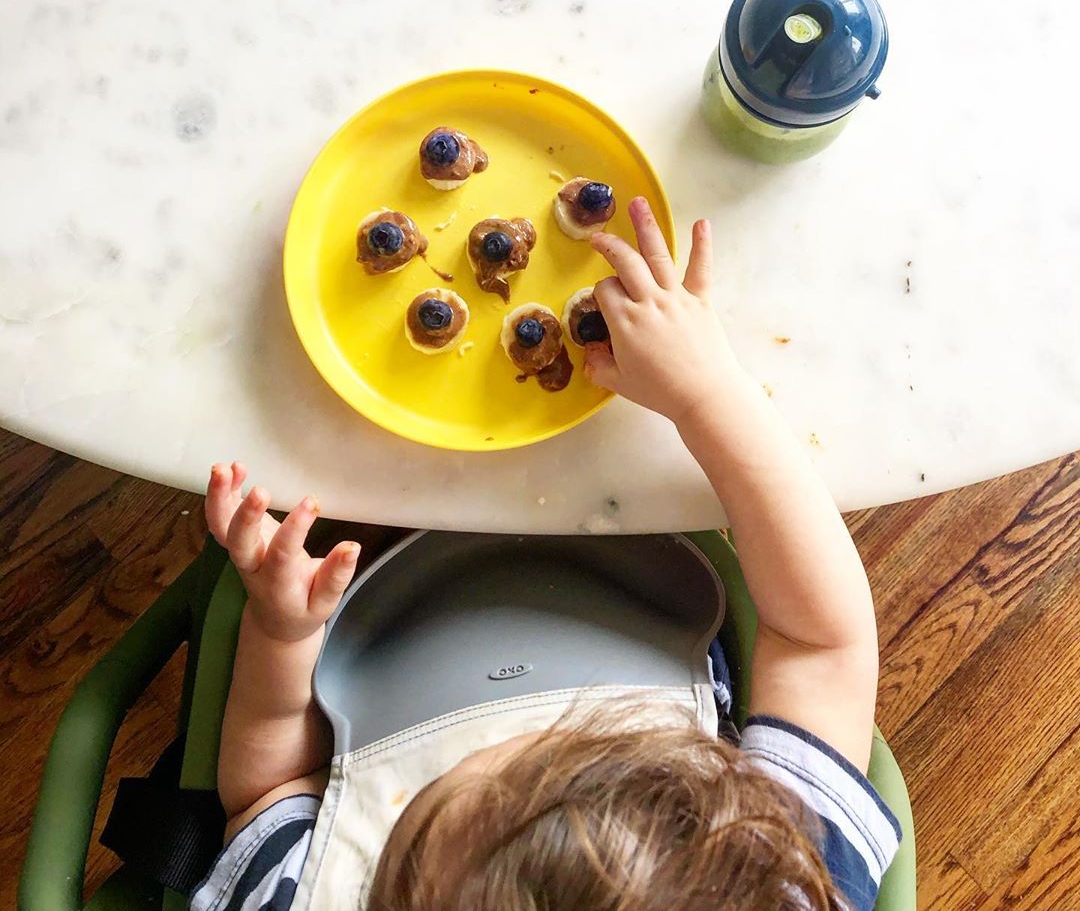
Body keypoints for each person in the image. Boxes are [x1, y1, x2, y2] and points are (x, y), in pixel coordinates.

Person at [191, 199, 901, 911]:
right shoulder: (776, 879)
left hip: (374, 601)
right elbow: (820, 646)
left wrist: (282, 632)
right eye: (554, 747)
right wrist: (707, 392)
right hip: (643, 578)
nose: (502, 735)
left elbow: (268, 793)